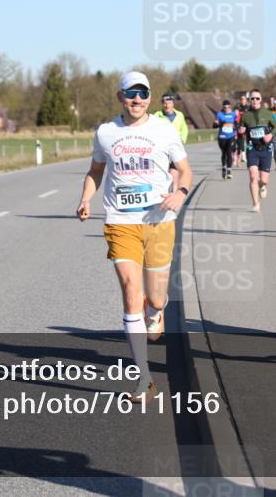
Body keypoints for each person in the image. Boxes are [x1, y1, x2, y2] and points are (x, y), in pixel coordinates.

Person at [77, 71, 193, 403]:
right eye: (131, 93)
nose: (137, 99)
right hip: (120, 221)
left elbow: (185, 170)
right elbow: (95, 171)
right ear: (120, 96)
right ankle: (144, 378)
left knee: (155, 299)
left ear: (150, 98)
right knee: (131, 290)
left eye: (143, 93)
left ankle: (155, 311)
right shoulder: (106, 133)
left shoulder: (164, 130)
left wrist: (181, 193)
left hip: (158, 220)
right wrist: (85, 198)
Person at [238, 89, 276, 212]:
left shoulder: (267, 113)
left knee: (263, 180)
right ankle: (255, 204)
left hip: (265, 149)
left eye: (257, 98)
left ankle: (263, 186)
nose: (255, 100)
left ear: (260, 100)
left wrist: (270, 135)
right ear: (249, 101)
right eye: (252, 98)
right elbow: (240, 128)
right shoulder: (245, 115)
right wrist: (240, 130)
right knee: (253, 176)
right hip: (252, 148)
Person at [213, 100, 239, 179]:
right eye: (225, 107)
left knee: (229, 152)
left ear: (230, 106)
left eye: (228, 107)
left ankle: (229, 171)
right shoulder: (219, 114)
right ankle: (224, 167)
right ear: (222, 107)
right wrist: (218, 124)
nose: (226, 108)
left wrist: (236, 126)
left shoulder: (233, 114)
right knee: (224, 153)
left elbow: (236, 123)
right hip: (222, 137)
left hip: (231, 136)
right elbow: (214, 125)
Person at [235, 93, 249, 164]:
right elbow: (236, 117)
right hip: (240, 126)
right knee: (241, 142)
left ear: (246, 100)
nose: (242, 100)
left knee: (249, 141)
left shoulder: (249, 107)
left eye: (243, 99)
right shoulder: (237, 107)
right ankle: (243, 157)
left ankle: (249, 155)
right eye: (241, 99)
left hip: (248, 125)